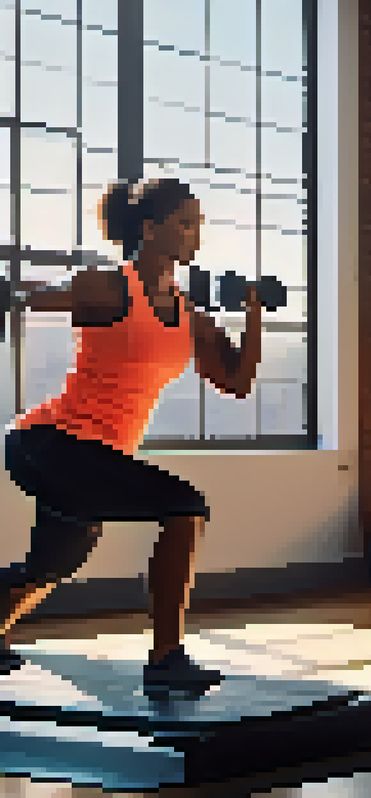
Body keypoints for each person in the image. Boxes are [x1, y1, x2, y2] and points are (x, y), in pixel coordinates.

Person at [0, 179, 264, 692]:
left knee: (48, 568)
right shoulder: (110, 287)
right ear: (149, 228)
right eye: (185, 223)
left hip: (96, 456)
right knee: (185, 506)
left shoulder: (189, 318)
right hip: (50, 443)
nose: (195, 234)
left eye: (199, 223)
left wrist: (253, 316)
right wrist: (20, 295)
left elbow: (236, 382)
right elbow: (37, 298)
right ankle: (166, 660)